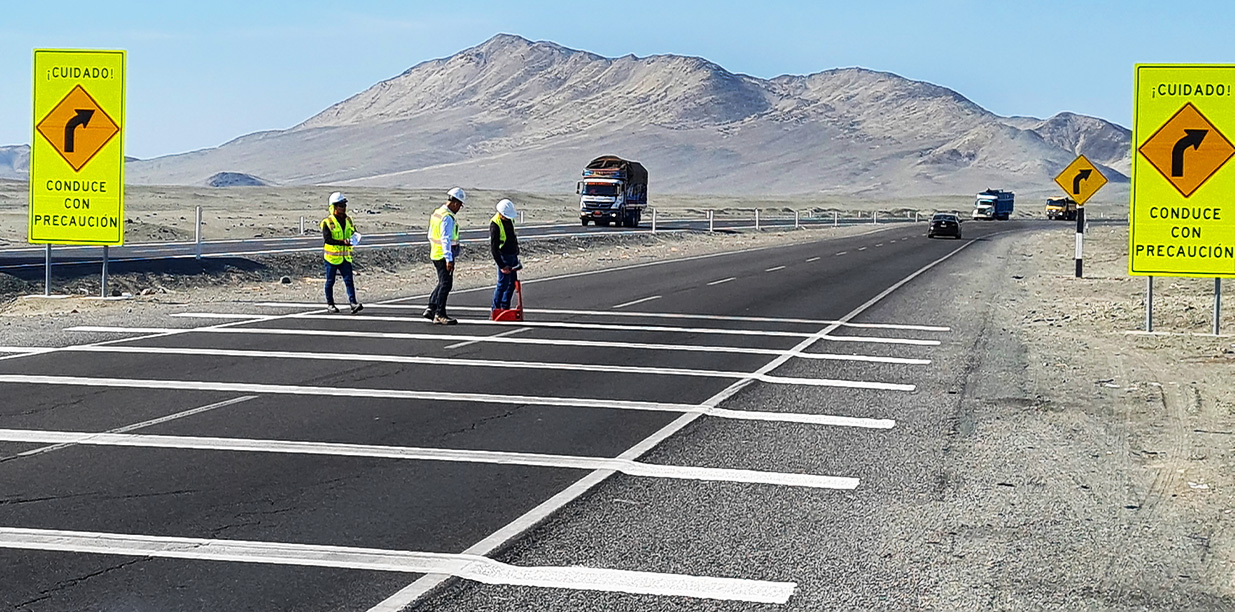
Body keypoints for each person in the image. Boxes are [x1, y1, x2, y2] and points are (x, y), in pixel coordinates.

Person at [425, 187, 466, 325]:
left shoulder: (437, 213)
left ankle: (431, 307)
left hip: (436, 253)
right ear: (455, 203)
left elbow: (430, 235)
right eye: (460, 205)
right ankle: (439, 314)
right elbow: (445, 239)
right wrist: (449, 258)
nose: (459, 208)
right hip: (443, 255)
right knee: (446, 284)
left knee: (443, 282)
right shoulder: (447, 217)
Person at [321, 192, 363, 314]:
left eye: (344, 205)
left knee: (349, 280)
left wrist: (355, 239)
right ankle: (330, 304)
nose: (343, 208)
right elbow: (327, 239)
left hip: (345, 258)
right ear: (333, 207)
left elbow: (353, 232)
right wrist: (342, 242)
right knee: (330, 281)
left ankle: (353, 303)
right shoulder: (328, 222)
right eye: (340, 205)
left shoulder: (348, 220)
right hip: (331, 258)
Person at [490, 198, 521, 315]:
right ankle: (495, 310)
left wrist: (516, 253)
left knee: (512, 283)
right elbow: (494, 248)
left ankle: (505, 307)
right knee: (503, 284)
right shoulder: (495, 224)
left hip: (512, 256)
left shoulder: (510, 220)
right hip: (503, 257)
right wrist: (502, 265)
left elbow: (512, 237)